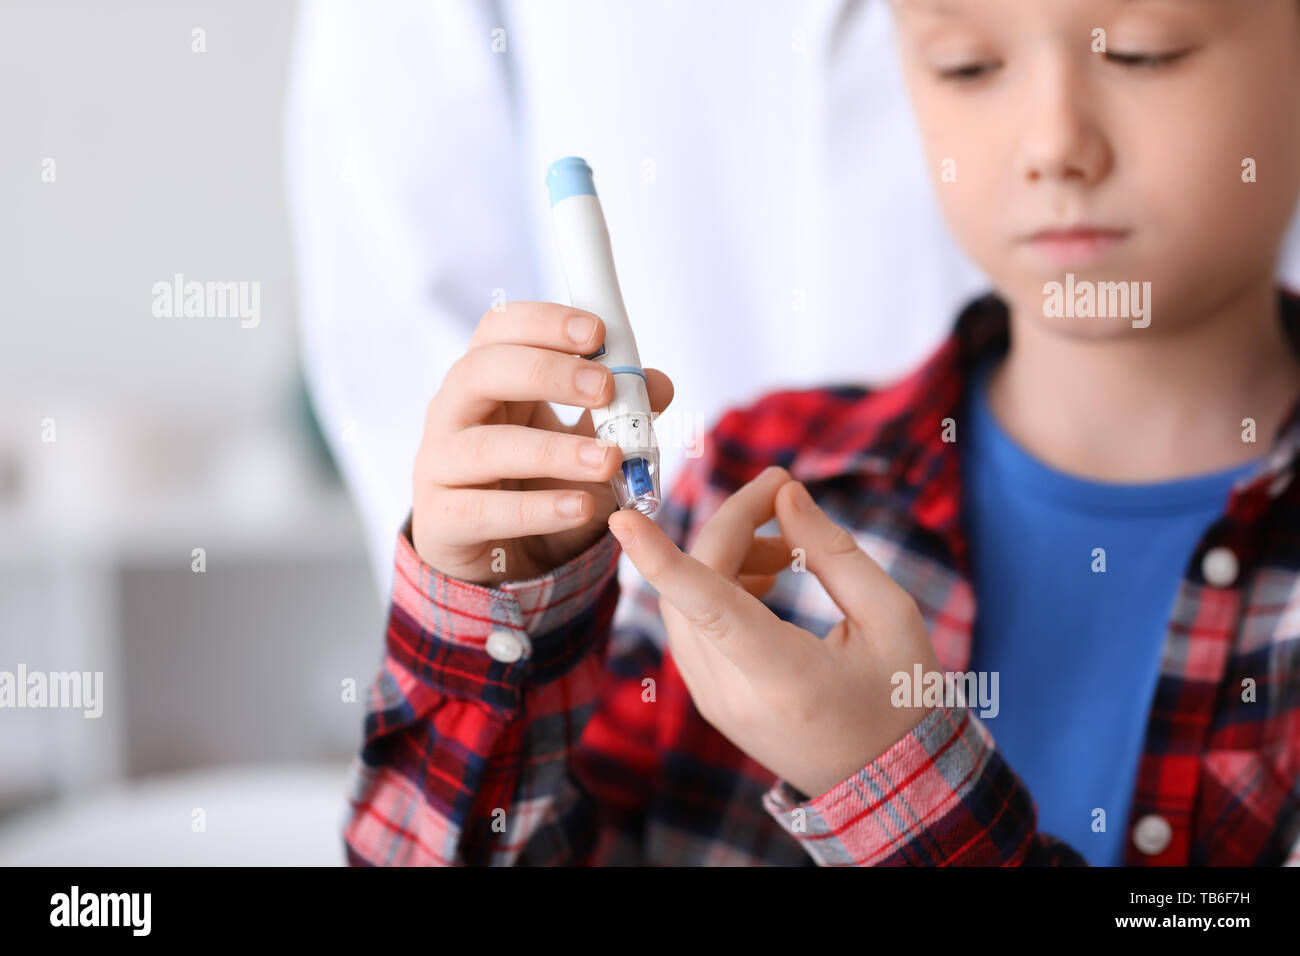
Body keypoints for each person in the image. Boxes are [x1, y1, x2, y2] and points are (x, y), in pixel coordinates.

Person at [342, 0, 1300, 865]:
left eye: (1144, 54)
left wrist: (886, 781)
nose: (1054, 144)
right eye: (967, 65)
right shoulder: (768, 485)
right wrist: (498, 633)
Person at [283, 0, 991, 598]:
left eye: (1113, 53)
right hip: (626, 620)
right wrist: (526, 603)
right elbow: (406, 271)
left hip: (981, 528)